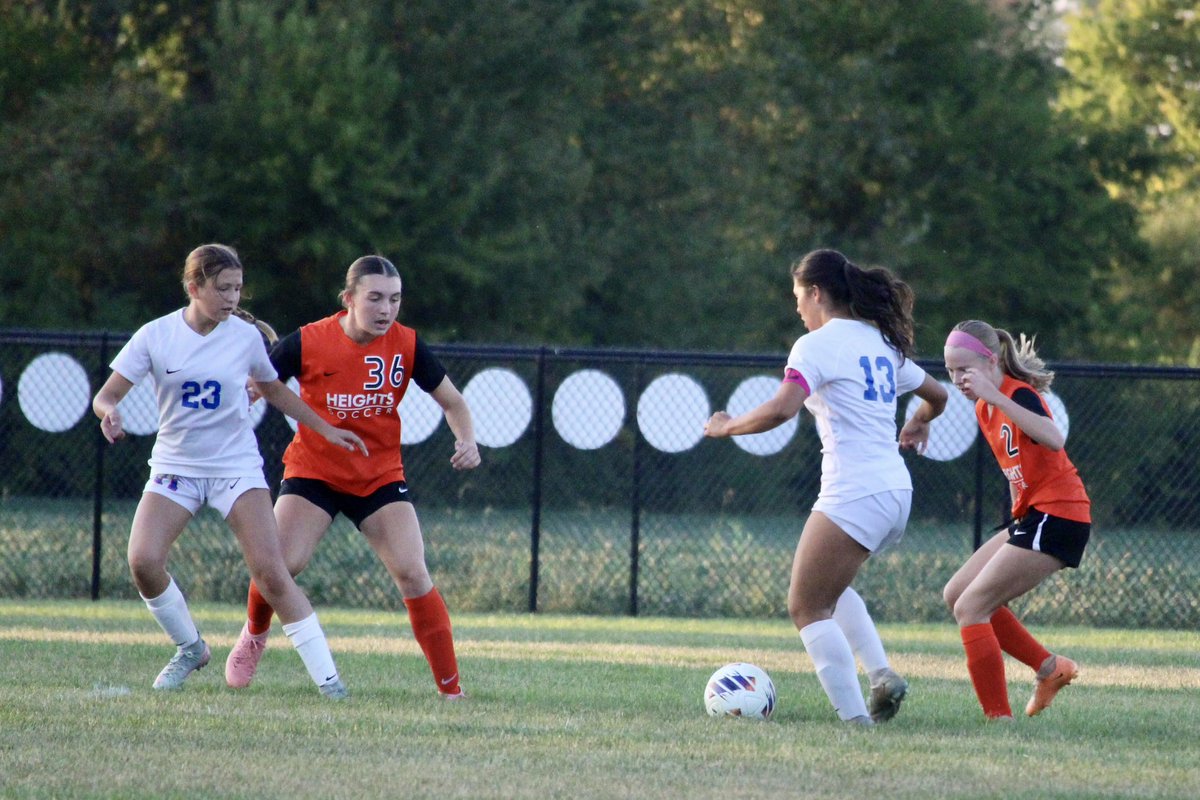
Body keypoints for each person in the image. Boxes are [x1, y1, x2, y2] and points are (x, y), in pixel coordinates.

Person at [91, 243, 367, 698]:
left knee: (272, 573)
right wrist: (108, 412)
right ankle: (190, 648)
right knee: (142, 561)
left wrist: (325, 428)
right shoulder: (156, 335)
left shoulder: (244, 337)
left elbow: (273, 390)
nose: (232, 298)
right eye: (222, 288)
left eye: (237, 288)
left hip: (235, 468)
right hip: (176, 466)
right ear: (193, 287)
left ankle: (331, 683)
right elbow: (107, 395)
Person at [704, 249, 948, 725]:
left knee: (805, 605)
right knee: (828, 591)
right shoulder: (880, 340)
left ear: (816, 293)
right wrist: (920, 421)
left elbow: (780, 410)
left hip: (856, 491)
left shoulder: (814, 345)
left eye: (798, 296)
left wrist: (726, 426)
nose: (796, 308)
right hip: (895, 492)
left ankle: (855, 723)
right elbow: (937, 395)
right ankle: (881, 674)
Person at [225, 255, 481, 700]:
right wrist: (249, 390)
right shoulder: (308, 340)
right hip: (314, 472)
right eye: (375, 298)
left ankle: (452, 691)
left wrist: (467, 440)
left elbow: (454, 403)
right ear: (348, 300)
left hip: (378, 476)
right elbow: (263, 381)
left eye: (395, 299)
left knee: (412, 572)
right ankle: (253, 633)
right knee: (281, 564)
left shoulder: (407, 345)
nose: (386, 309)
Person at [942, 320, 1090, 720]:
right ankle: (1050, 668)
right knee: (957, 594)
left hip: (1060, 514)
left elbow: (1053, 439)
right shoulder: (983, 406)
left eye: (964, 369)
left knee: (972, 607)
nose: (957, 378)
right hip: (1034, 515)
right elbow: (1015, 469)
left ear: (991, 362)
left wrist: (999, 397)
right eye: (951, 370)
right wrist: (1015, 518)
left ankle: (998, 720)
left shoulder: (1016, 394)